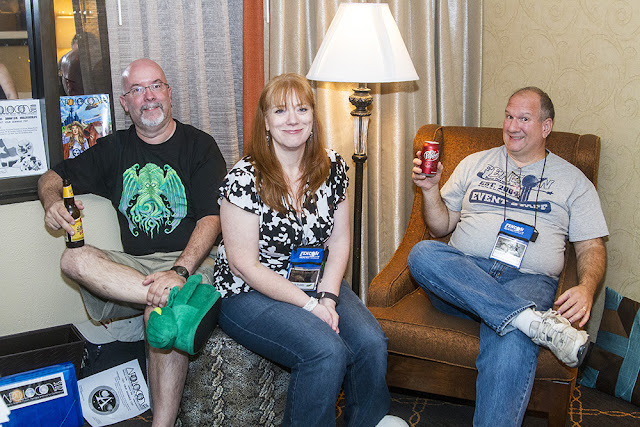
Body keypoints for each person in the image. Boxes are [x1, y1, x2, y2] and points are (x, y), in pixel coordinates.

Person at [38, 58, 226, 427]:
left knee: (159, 316)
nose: (149, 96)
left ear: (169, 93)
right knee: (73, 260)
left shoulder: (199, 145)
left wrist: (178, 271)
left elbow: (211, 218)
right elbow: (52, 176)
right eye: (137, 90)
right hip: (136, 270)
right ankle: (168, 297)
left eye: (156, 86)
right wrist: (51, 201)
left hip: (193, 261)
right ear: (125, 103)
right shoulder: (113, 149)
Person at [407, 87, 608, 426]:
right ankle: (532, 321)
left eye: (524, 119)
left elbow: (592, 247)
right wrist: (429, 190)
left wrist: (587, 288)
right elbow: (440, 226)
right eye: (509, 116)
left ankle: (519, 320)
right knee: (422, 253)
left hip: (528, 281)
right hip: (464, 277)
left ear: (546, 126)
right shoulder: (474, 163)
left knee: (512, 336)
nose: (512, 126)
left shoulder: (573, 181)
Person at [213, 73, 405, 427]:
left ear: (313, 117)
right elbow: (244, 265)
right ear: (265, 121)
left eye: (301, 109)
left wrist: (328, 298)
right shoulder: (243, 179)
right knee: (325, 352)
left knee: (371, 343)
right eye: (280, 111)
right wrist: (310, 306)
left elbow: (339, 241)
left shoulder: (332, 167)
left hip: (313, 281)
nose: (293, 119)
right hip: (248, 291)